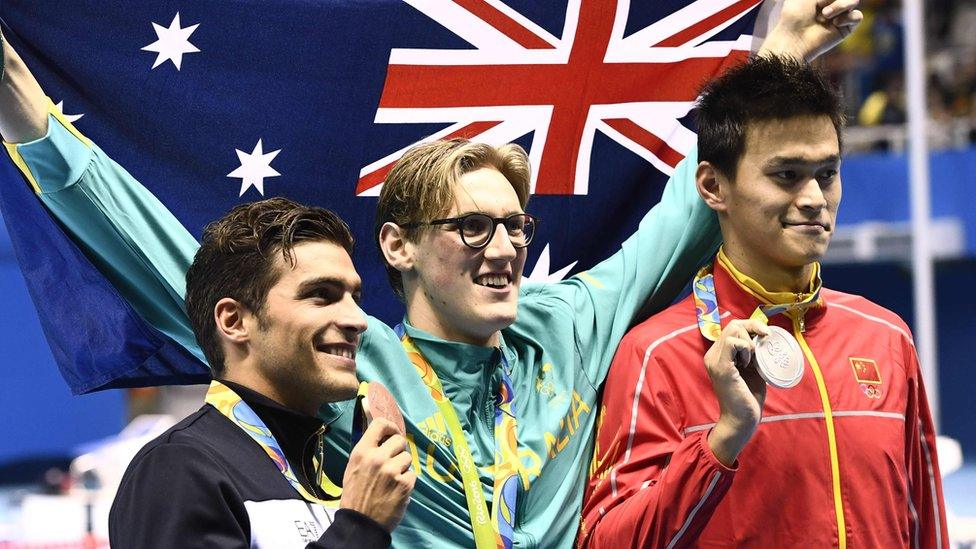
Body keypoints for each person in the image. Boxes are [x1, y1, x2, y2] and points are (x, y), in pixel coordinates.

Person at [0, 3, 861, 545]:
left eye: (516, 225)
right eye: (471, 226)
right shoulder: (347, 366)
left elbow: (682, 208)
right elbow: (154, 249)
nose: (504, 246)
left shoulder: (567, 321)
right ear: (400, 248)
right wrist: (18, 96)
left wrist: (773, 51)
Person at [579, 56, 948, 548]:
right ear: (713, 186)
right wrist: (722, 440)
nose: (815, 197)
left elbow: (927, 526)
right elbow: (606, 542)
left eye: (827, 173)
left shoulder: (885, 337)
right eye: (787, 175)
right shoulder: (656, 354)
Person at [108, 197, 415, 547]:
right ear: (234, 321)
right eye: (321, 295)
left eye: (354, 298)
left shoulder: (328, 478)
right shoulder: (179, 467)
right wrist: (360, 526)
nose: (357, 321)